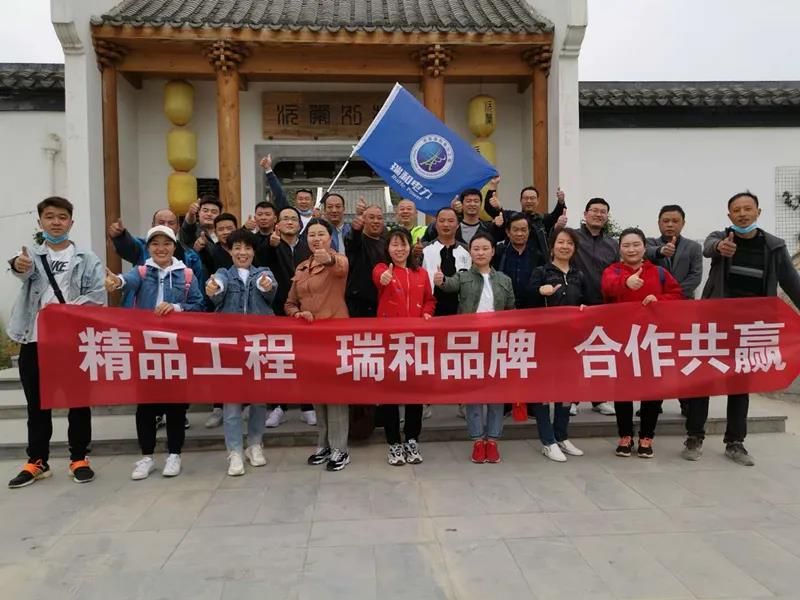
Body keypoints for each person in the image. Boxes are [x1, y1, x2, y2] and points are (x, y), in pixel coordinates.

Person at [683, 192, 800, 466]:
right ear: (730, 215)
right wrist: (720, 247)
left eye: (748, 208)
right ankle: (694, 437)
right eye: (737, 210)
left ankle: (735, 442)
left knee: (740, 384)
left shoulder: (774, 246)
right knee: (703, 379)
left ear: (758, 212)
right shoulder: (722, 238)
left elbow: (792, 283)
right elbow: (709, 247)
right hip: (716, 326)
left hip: (751, 328)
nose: (743, 214)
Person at [7, 197, 105, 489]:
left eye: (62, 217)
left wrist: (66, 311)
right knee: (37, 404)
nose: (56, 222)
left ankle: (79, 458)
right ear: (40, 222)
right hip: (34, 339)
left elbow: (98, 296)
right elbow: (21, 270)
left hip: (72, 341)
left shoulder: (87, 258)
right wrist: (17, 264)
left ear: (71, 222)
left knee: (78, 401)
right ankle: (37, 460)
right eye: (49, 217)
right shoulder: (31, 256)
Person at [105, 225, 205, 480]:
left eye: (167, 244)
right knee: (146, 405)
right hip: (146, 347)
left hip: (176, 347)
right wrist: (117, 282)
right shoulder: (141, 271)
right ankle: (147, 456)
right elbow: (126, 281)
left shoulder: (187, 274)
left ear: (174, 247)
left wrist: (176, 308)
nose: (161, 249)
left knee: (176, 405)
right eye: (155, 244)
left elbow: (198, 305)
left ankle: (174, 454)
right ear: (148, 248)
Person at [601, 227, 683, 459]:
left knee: (653, 389)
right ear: (619, 249)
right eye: (626, 245)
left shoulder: (658, 272)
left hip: (652, 340)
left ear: (645, 247)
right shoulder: (612, 271)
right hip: (622, 340)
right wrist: (626, 283)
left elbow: (678, 295)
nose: (631, 249)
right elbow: (607, 287)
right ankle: (625, 436)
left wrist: (660, 299)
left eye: (636, 244)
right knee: (622, 389)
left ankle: (647, 436)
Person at [434, 233, 515, 463]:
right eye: (476, 248)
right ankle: (478, 440)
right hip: (471, 343)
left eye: (485, 248)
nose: (480, 252)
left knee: (496, 394)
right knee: (474, 393)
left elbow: (512, 311)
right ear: (470, 252)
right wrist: (440, 280)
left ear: (493, 251)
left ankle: (493, 440)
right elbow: (449, 285)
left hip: (496, 343)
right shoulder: (463, 277)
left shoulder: (504, 280)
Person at [206, 229, 278, 476]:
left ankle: (255, 444)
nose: (242, 253)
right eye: (237, 248)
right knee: (232, 402)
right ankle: (235, 451)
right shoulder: (223, 274)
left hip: (258, 346)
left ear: (253, 251)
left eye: (247, 248)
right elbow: (217, 289)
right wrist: (214, 287)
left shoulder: (264, 272)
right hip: (230, 347)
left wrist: (265, 285)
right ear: (230, 251)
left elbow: (269, 287)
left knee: (259, 399)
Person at [285, 218, 351, 471]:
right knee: (318, 393)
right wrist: (297, 313)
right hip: (310, 340)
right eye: (311, 234)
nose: (316, 239)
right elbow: (290, 303)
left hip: (335, 338)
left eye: (321, 234)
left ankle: (340, 448)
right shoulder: (302, 268)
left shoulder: (338, 260)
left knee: (336, 395)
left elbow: (340, 268)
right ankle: (323, 444)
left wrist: (329, 259)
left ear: (330, 238)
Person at [372, 228, 436, 465]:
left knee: (414, 393)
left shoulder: (421, 273)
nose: (399, 249)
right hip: (389, 342)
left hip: (415, 342)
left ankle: (411, 439)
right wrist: (384, 278)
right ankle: (393, 443)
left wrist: (427, 313)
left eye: (403, 244)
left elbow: (429, 300)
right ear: (387, 249)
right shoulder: (381, 268)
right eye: (394, 245)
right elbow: (379, 278)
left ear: (410, 247)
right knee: (389, 393)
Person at [528, 228, 589, 462]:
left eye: (570, 243)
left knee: (567, 390)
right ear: (552, 247)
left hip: (571, 342)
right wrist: (538, 291)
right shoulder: (541, 272)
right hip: (544, 342)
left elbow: (589, 301)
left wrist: (585, 308)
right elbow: (525, 300)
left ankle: (561, 435)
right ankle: (548, 440)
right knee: (543, 391)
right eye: (561, 242)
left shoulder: (579, 275)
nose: (565, 247)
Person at [646, 204, 704, 417]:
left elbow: (695, 277)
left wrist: (672, 295)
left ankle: (685, 402)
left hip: (683, 310)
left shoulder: (693, 247)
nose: (670, 225)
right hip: (655, 311)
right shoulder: (650, 244)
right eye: (665, 221)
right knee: (655, 357)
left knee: (683, 357)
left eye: (675, 221)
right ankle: (653, 402)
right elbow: (643, 254)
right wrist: (660, 252)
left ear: (683, 223)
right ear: (659, 223)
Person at [260, 206, 315, 428]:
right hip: (276, 310)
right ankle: (278, 406)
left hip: (305, 312)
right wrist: (269, 246)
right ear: (278, 224)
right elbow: (258, 265)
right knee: (278, 360)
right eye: (285, 219)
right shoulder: (269, 245)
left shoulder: (308, 247)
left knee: (305, 360)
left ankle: (307, 406)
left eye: (294, 218)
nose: (290, 222)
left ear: (300, 225)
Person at [571, 197, 620, 417]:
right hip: (576, 304)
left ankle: (599, 399)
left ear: (607, 217)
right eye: (594, 210)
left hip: (603, 305)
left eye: (603, 212)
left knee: (600, 352)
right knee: (574, 353)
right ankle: (571, 399)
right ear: (585, 214)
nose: (598, 214)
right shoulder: (573, 238)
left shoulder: (612, 244)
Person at [422, 207, 472, 317]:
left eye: (450, 221)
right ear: (435, 224)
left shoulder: (468, 250)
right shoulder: (424, 249)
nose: (446, 224)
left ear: (458, 225)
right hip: (431, 310)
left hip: (461, 309)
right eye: (441, 221)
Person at [345, 205, 386, 317]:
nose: (376, 221)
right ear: (364, 221)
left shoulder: (386, 242)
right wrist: (356, 230)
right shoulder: (358, 241)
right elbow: (353, 241)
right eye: (371, 217)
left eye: (379, 218)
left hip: (382, 301)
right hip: (360, 304)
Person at [423, 188, 499, 245]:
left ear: (480, 204)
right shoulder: (452, 225)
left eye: (476, 201)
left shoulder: (488, 228)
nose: (472, 204)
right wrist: (452, 212)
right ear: (462, 204)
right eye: (468, 201)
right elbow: (430, 236)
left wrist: (499, 209)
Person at [493, 212, 537, 309]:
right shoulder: (498, 254)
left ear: (529, 231)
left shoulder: (537, 256)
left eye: (523, 230)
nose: (519, 234)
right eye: (515, 230)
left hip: (531, 309)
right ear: (508, 232)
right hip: (504, 308)